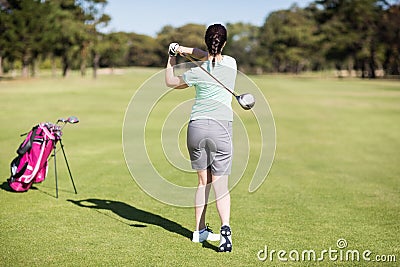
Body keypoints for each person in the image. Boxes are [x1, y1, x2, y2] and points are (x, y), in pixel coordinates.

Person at [165, 24, 236, 253]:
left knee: (202, 183)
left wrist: (172, 56)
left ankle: (199, 231)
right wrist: (185, 49)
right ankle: (225, 229)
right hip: (221, 127)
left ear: (207, 42)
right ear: (224, 43)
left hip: (196, 128)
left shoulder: (196, 72)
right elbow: (209, 55)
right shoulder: (231, 64)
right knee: (220, 184)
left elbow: (170, 82)